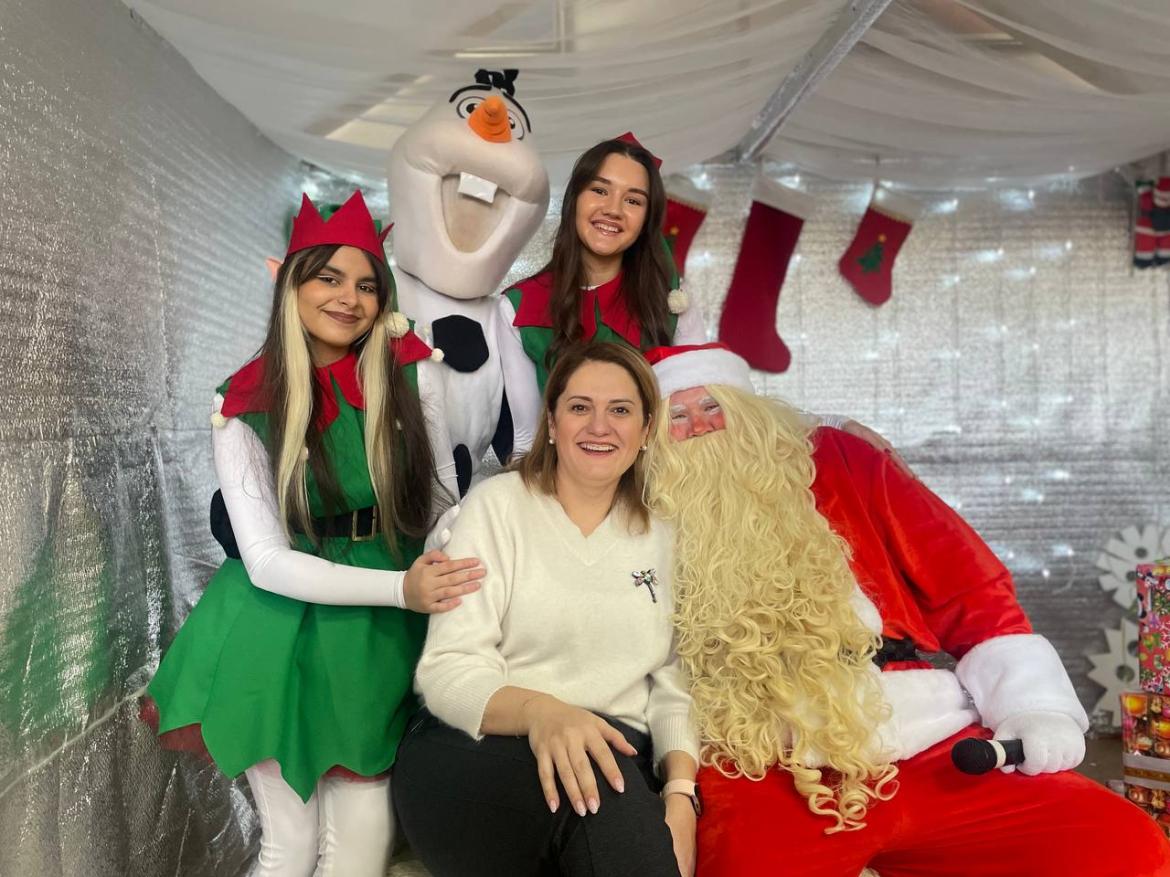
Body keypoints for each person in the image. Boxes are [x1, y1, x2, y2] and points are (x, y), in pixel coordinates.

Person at [643, 342, 1170, 877]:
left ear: (750, 411)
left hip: (918, 730)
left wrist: (1030, 705)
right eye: (677, 417)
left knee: (1122, 846)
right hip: (761, 755)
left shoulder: (840, 459)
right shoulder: (644, 507)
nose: (701, 427)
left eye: (713, 406)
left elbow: (966, 583)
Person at [143, 191, 485, 877]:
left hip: (379, 632)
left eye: (366, 283)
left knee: (363, 848)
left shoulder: (413, 372)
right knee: (289, 847)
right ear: (291, 284)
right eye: (328, 277)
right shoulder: (243, 400)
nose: (348, 298)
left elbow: (445, 498)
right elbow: (266, 560)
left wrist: (445, 559)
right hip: (276, 631)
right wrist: (403, 589)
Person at [393, 341, 701, 877]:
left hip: (615, 755)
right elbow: (447, 670)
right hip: (477, 749)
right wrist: (544, 713)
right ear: (552, 424)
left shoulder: (667, 533)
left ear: (647, 429)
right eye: (580, 407)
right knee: (605, 789)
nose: (599, 426)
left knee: (608, 785)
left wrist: (681, 794)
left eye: (620, 410)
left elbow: (674, 684)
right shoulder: (497, 508)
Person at [497, 133, 705, 456]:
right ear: (574, 199)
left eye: (633, 201)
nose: (613, 209)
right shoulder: (517, 307)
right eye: (599, 190)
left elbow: (694, 419)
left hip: (657, 477)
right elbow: (527, 438)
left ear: (647, 220)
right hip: (559, 479)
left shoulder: (674, 300)